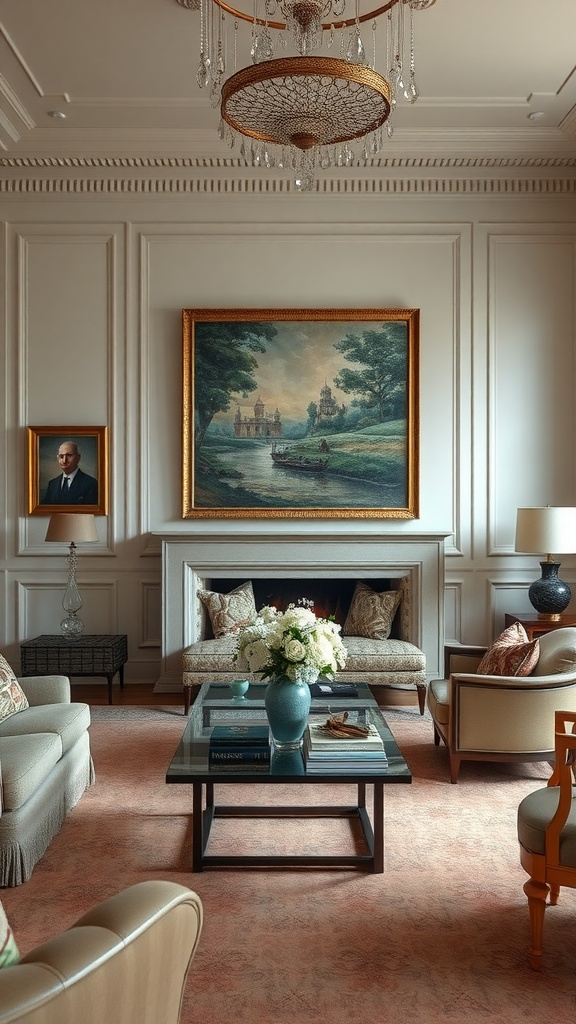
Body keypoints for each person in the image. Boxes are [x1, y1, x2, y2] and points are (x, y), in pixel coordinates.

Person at [41, 440, 98, 505]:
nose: (64, 461)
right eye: (61, 456)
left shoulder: (91, 484)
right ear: (58, 458)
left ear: (78, 458)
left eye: (69, 455)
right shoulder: (52, 484)